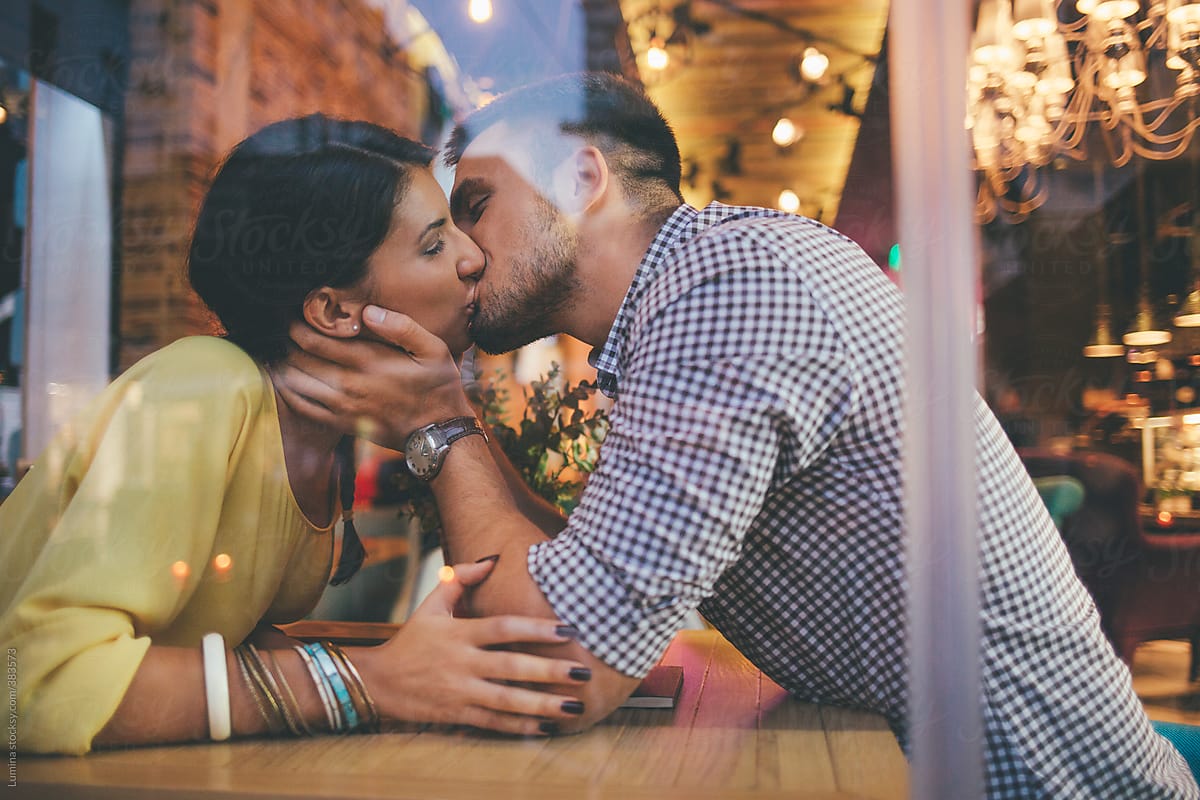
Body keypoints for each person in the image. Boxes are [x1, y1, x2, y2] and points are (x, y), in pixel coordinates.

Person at [279, 74, 1199, 798]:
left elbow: (562, 663)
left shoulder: (730, 286)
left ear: (580, 177)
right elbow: (577, 577)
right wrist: (451, 418)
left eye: (475, 205)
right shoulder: (686, 303)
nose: (467, 254)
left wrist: (437, 426)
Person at [0, 114, 595, 756]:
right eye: (432, 244)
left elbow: (205, 641)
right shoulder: (204, 387)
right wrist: (369, 682)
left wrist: (447, 422)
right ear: (334, 310)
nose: (472, 256)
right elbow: (32, 686)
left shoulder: (321, 429)